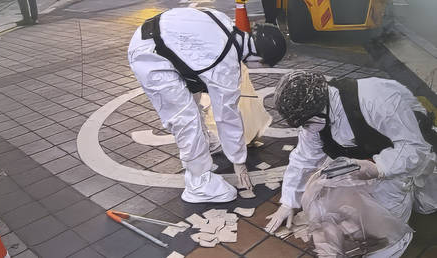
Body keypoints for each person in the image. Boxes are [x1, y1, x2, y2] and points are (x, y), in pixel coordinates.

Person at [266, 71, 436, 256]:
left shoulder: (375, 99)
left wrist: (378, 168)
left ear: (320, 108)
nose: (305, 129)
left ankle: (396, 240)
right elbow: (303, 158)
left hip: (410, 152)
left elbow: (415, 148)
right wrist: (289, 202)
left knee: (402, 218)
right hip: (370, 155)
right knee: (332, 190)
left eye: (306, 123)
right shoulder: (315, 118)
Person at [127, 7, 286, 203]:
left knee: (192, 100)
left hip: (158, 42)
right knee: (185, 118)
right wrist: (238, 161)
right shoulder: (226, 63)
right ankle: (198, 183)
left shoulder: (225, 24)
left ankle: (205, 142)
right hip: (150, 58)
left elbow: (194, 55)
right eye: (263, 65)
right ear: (258, 58)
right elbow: (226, 116)